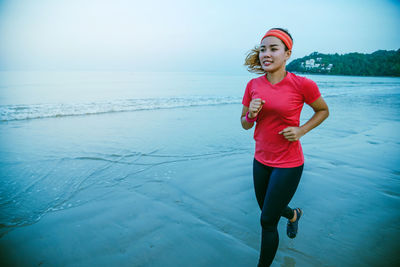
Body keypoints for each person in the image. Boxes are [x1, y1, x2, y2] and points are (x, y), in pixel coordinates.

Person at [240, 28, 329, 266]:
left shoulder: (302, 84)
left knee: (267, 221)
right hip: (261, 161)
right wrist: (251, 114)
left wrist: (301, 130)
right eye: (262, 49)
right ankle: (293, 214)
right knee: (271, 210)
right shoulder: (253, 85)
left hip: (288, 164)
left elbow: (323, 110)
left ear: (287, 53)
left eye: (273, 48)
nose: (266, 54)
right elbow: (245, 125)